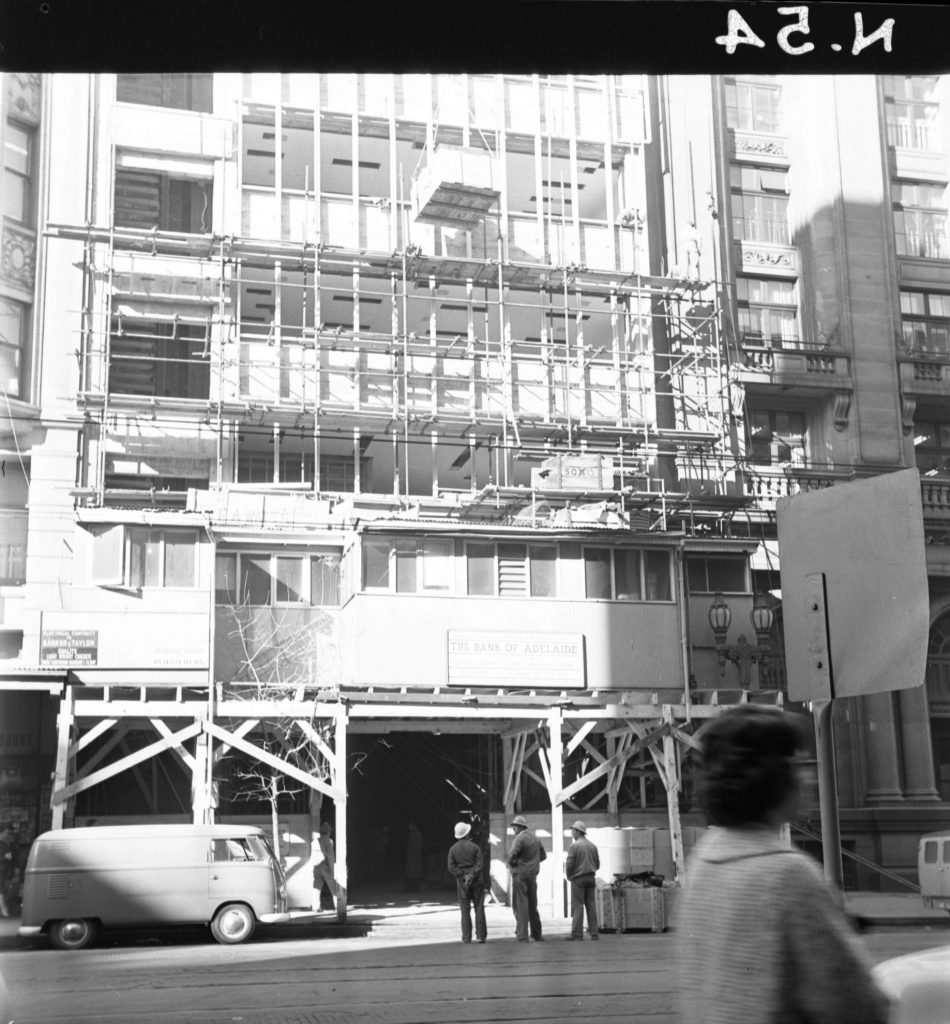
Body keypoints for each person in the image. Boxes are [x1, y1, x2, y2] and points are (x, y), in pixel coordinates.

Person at [675, 705, 891, 1024]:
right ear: (774, 774)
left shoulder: (703, 858)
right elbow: (858, 1005)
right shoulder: (789, 874)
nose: (809, 776)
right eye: (800, 763)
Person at [446, 822, 487, 944]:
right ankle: (481, 936)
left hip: (462, 883)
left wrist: (463, 875)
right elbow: (480, 864)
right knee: (479, 908)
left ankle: (466, 937)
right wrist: (472, 875)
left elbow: (451, 867)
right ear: (467, 833)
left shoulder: (453, 849)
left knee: (465, 910)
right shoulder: (475, 847)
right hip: (476, 881)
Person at [507, 815, 545, 942]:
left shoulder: (519, 839)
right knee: (532, 905)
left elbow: (511, 855)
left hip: (520, 875)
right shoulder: (535, 838)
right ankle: (537, 934)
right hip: (532, 876)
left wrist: (513, 863)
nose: (513, 829)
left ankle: (523, 935)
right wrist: (532, 862)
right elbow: (543, 856)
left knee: (521, 905)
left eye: (515, 826)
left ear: (521, 827)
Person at [564, 820, 599, 941]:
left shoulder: (574, 846)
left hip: (578, 879)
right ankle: (594, 933)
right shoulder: (593, 846)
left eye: (573, 830)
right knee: (591, 905)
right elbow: (597, 864)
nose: (571, 833)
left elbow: (569, 864)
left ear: (579, 832)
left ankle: (577, 935)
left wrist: (569, 876)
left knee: (578, 906)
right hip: (591, 878)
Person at [312, 821, 338, 912]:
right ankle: (338, 907)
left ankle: (316, 907)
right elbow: (330, 857)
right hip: (326, 866)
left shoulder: (315, 841)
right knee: (334, 888)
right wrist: (332, 869)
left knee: (317, 888)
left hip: (316, 866)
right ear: (328, 832)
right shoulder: (329, 842)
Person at [404, 821, 424, 892]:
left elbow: (415, 845)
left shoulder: (416, 834)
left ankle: (413, 888)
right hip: (413, 856)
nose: (409, 827)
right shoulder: (413, 834)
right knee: (412, 872)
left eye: (410, 826)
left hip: (414, 856)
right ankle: (412, 887)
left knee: (413, 872)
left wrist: (410, 850)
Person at [0, 826, 14, 918]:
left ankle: (4, 908)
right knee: (1, 890)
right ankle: (3, 909)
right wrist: (4, 857)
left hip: (5, 870)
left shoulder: (7, 843)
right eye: (7, 832)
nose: (8, 835)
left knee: (3, 890)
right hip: (1, 869)